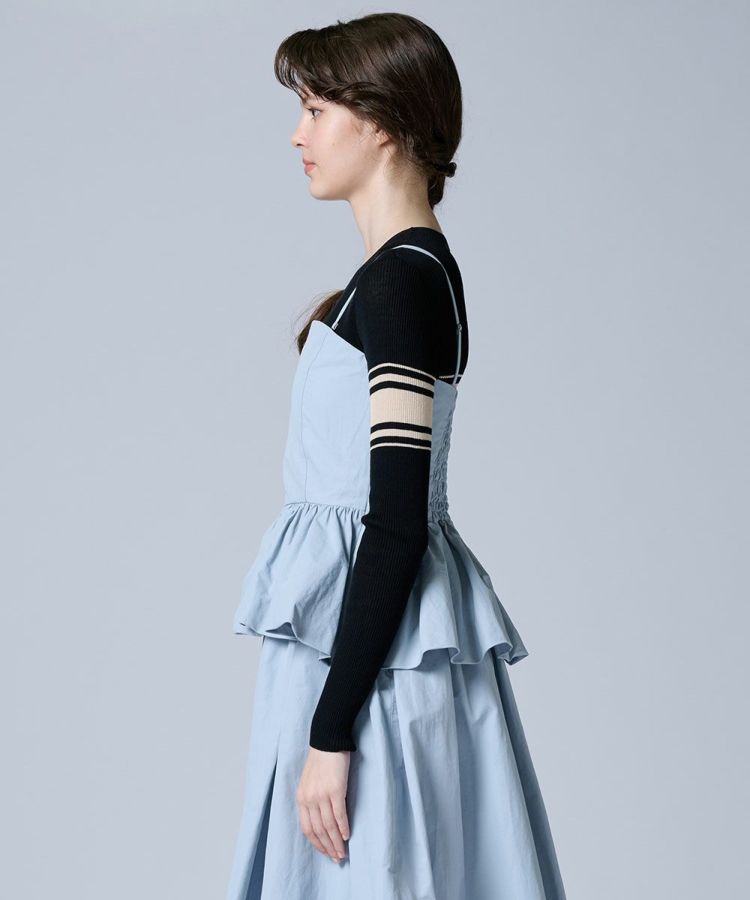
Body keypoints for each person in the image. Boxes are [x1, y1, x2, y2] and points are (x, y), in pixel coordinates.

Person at [226, 12, 567, 900]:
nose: (297, 134)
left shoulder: (404, 282)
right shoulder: (405, 275)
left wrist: (331, 729)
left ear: (379, 121)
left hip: (371, 665)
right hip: (368, 648)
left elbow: (397, 519)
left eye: (315, 109)